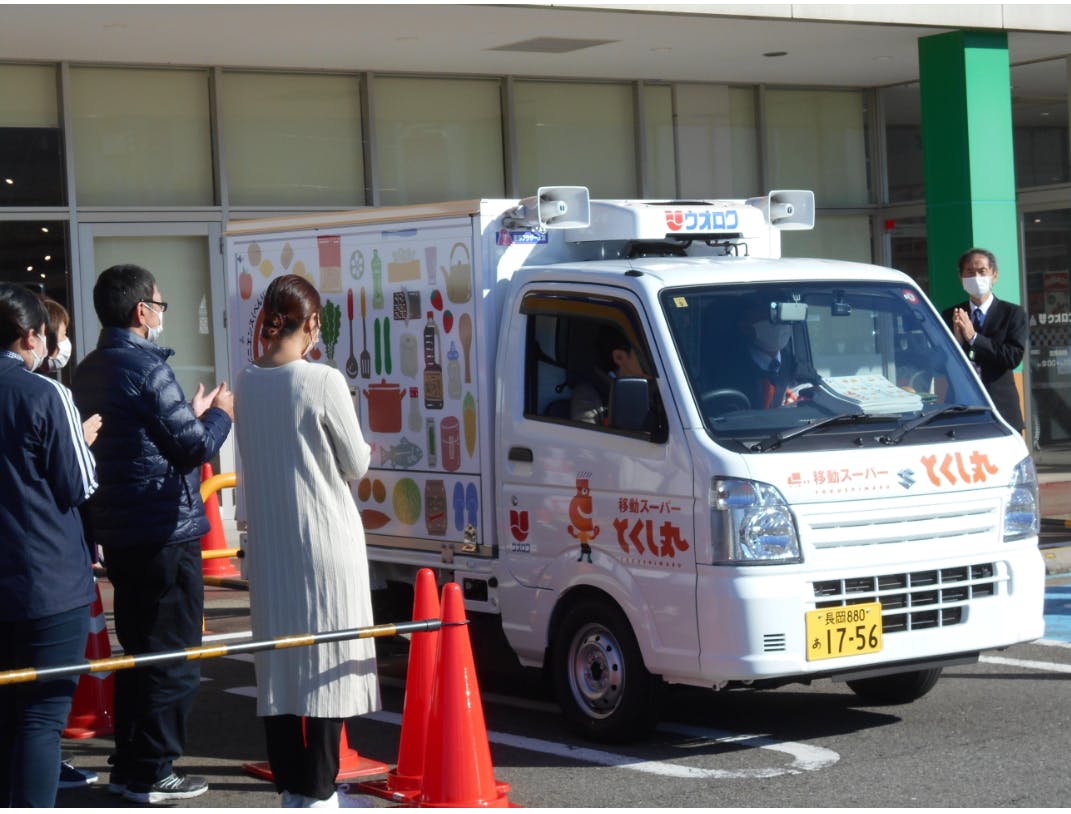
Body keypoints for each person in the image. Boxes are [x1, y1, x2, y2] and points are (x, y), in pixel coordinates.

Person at [72, 264, 233, 805]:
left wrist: (188, 417)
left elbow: (140, 438)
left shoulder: (89, 368)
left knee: (138, 651)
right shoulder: (146, 368)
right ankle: (152, 771)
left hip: (121, 530)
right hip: (165, 530)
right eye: (161, 305)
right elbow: (191, 447)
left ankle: (131, 764)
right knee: (172, 654)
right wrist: (219, 417)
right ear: (142, 311)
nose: (163, 314)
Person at [234, 275, 380, 808]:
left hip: (271, 543)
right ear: (312, 324)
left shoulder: (245, 381)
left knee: (277, 665)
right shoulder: (322, 381)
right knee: (327, 664)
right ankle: (320, 791)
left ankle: (292, 789)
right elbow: (355, 462)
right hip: (325, 539)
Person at [0, 283, 98, 807]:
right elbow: (78, 484)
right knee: (40, 719)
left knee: (7, 717)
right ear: (30, 336)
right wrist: (82, 442)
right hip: (48, 581)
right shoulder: (47, 395)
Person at [941, 248, 1027, 432]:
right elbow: (938, 363)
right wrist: (956, 343)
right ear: (961, 278)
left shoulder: (1012, 313)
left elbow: (1012, 357)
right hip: (962, 407)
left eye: (982, 272)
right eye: (970, 273)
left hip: (1001, 409)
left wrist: (974, 338)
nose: (976, 277)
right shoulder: (951, 315)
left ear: (994, 275)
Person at [720, 297, 796, 409]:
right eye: (768, 316)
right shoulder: (726, 370)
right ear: (745, 326)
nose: (778, 324)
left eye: (781, 317)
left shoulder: (797, 364)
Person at [570, 323, 648, 424]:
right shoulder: (588, 394)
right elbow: (584, 436)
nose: (656, 361)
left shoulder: (664, 388)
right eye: (646, 355)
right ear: (619, 357)